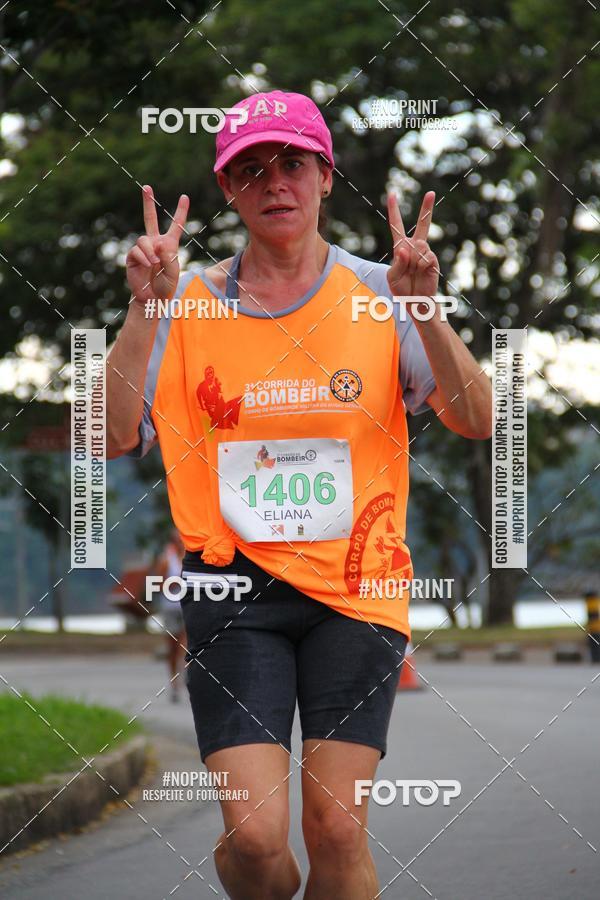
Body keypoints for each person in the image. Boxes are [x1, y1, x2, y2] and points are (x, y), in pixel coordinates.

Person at [106, 90, 492, 899]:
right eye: (249, 171)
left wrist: (424, 306)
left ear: (324, 174)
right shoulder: (186, 302)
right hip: (230, 586)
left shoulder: (385, 291)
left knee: (337, 831)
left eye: (291, 163)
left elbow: (477, 417)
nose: (273, 183)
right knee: (253, 843)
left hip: (358, 584)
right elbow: (106, 434)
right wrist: (141, 310)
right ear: (227, 192)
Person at [154, 529, 186, 701]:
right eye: (178, 540)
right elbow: (157, 585)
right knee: (172, 649)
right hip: (170, 608)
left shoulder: (190, 558)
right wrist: (173, 582)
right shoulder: (167, 560)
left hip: (187, 607)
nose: (181, 542)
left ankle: (186, 677)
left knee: (185, 646)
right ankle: (174, 683)